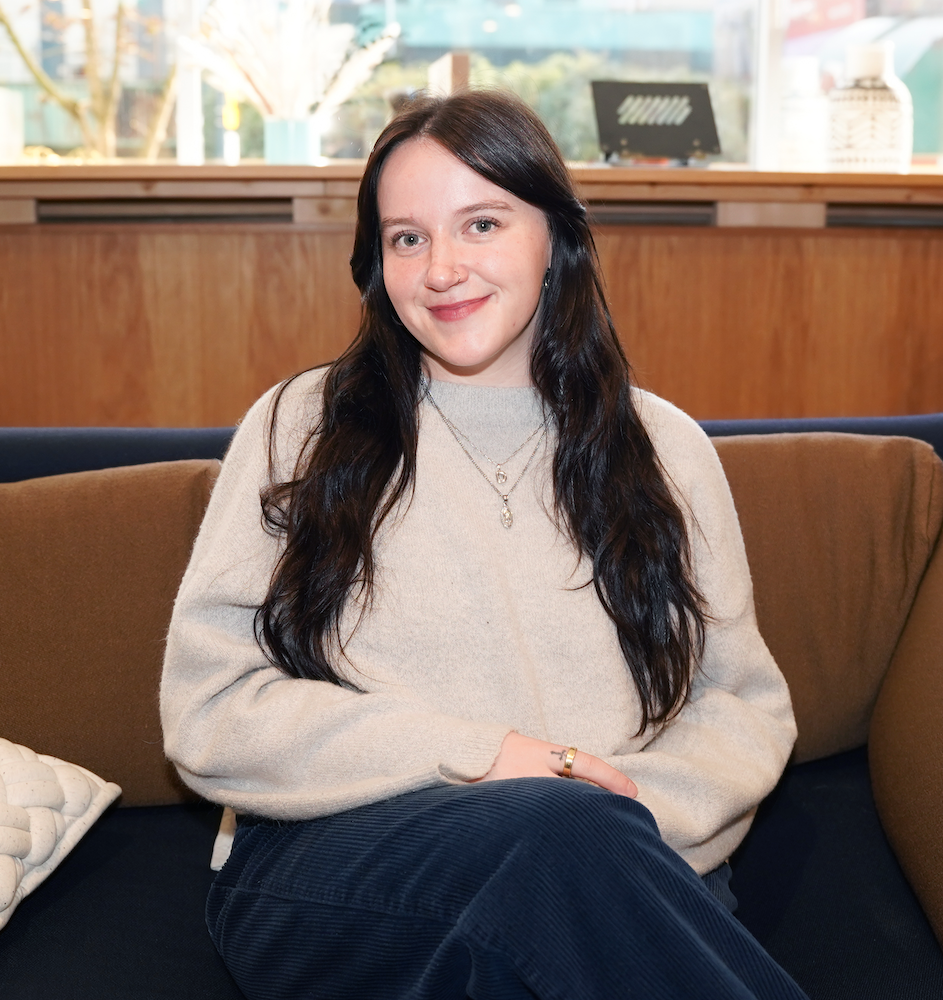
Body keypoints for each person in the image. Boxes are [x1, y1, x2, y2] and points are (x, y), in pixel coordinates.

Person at [160, 89, 806, 1000]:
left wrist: (620, 823)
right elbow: (211, 712)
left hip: (627, 856)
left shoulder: (666, 449)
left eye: (482, 224)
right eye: (407, 238)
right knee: (558, 839)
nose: (441, 268)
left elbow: (737, 704)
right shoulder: (302, 426)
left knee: (559, 862)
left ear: (556, 238)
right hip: (335, 864)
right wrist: (488, 756)